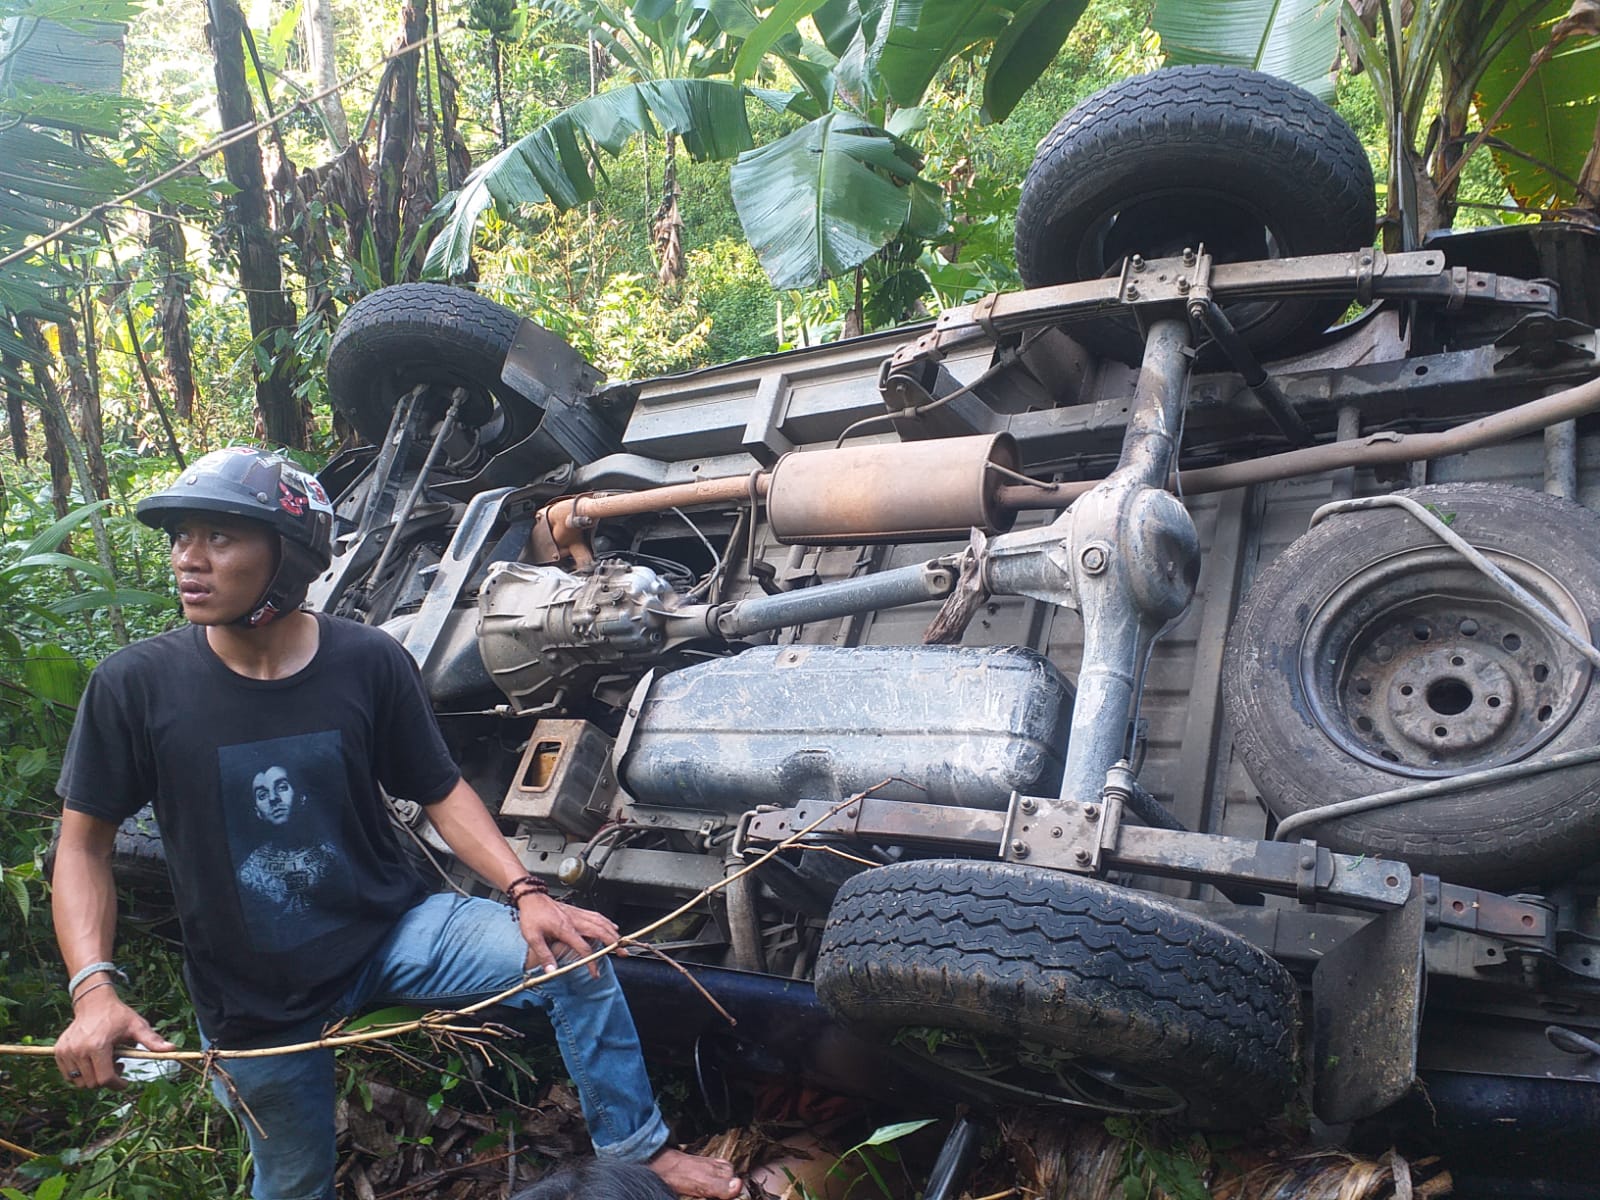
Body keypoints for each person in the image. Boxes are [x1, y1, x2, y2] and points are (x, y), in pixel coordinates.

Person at [50, 448, 741, 1200]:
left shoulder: (367, 660)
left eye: (218, 537)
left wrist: (526, 892)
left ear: (288, 556)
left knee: (572, 958)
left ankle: (641, 1151)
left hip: (392, 927)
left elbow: (440, 787)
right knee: (294, 1182)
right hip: (255, 995)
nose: (188, 558)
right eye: (181, 537)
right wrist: (93, 990)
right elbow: (84, 844)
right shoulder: (135, 685)